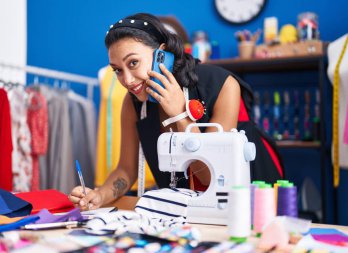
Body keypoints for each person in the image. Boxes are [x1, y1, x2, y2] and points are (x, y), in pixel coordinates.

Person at [69, 13, 283, 211]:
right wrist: (99, 195)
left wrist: (181, 115)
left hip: (252, 201)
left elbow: (213, 175)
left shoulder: (222, 85)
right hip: (187, 210)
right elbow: (126, 170)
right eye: (117, 70)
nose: (127, 80)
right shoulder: (134, 103)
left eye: (133, 63)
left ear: (162, 54)